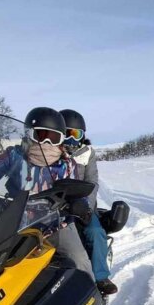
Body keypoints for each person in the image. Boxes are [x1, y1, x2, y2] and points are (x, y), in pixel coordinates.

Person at [0, 107, 94, 279]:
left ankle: (90, 289)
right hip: (13, 222)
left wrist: (79, 204)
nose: (47, 143)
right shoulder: (15, 156)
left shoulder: (67, 164)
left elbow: (76, 189)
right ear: (29, 134)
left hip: (55, 224)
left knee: (79, 259)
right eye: (41, 135)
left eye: (53, 138)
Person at [60, 109, 117, 295]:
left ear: (82, 136)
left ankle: (101, 277)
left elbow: (92, 182)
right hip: (54, 206)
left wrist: (84, 205)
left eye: (75, 134)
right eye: (66, 133)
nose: (71, 139)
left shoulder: (87, 153)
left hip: (82, 205)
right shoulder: (51, 152)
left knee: (95, 231)